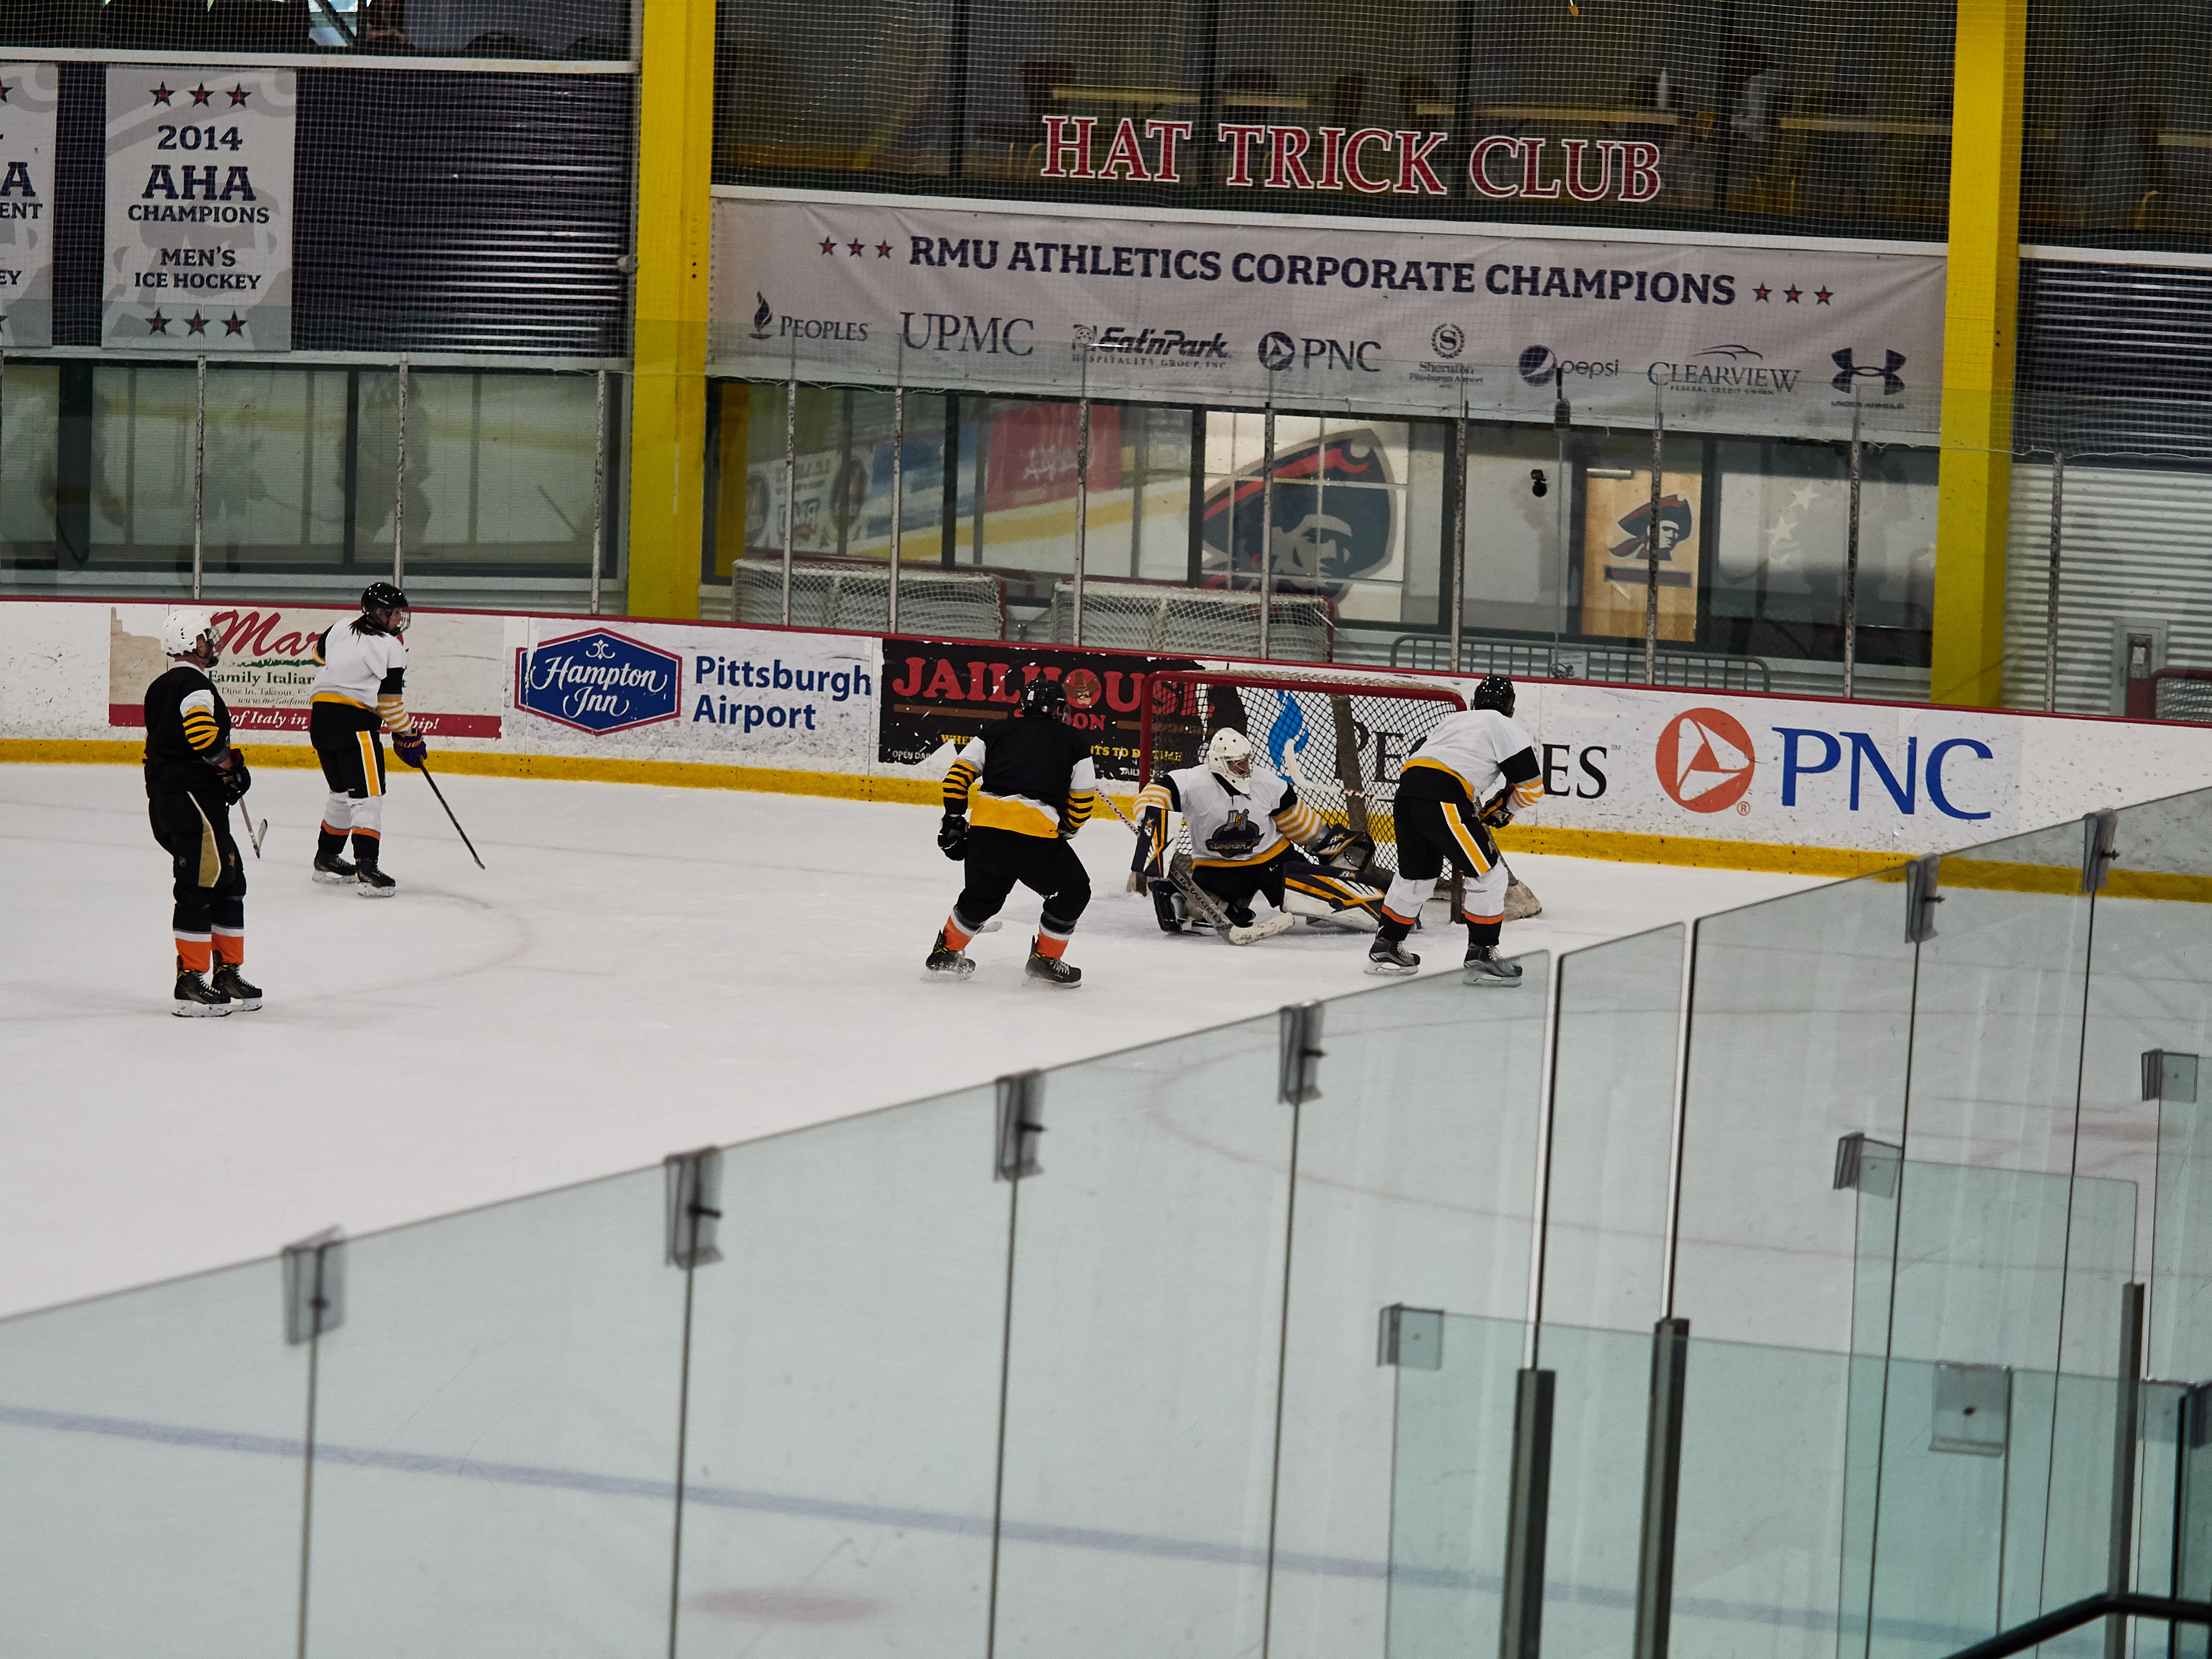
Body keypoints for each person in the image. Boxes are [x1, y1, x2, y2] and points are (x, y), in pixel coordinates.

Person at [1368, 675, 1543, 984]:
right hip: (1444, 796)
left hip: (1407, 793)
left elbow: (1427, 759)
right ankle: (1482, 953)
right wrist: (1505, 809)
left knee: (1416, 877)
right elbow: (1532, 788)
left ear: (1474, 703)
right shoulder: (1502, 724)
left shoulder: (1452, 721)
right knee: (1489, 875)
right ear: (1511, 710)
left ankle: (1387, 944)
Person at [1130, 727, 1385, 935]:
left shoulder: (1267, 783)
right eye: (1238, 763)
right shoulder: (1191, 782)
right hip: (1218, 866)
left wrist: (1327, 846)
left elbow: (1299, 825)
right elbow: (1156, 793)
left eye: (1247, 761)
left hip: (1273, 860)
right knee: (1196, 911)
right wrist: (1149, 815)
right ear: (1219, 762)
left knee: (1335, 900)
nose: (1245, 767)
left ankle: (1381, 911)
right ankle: (1200, 903)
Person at [927, 675, 1097, 986]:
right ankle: (1046, 959)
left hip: (985, 832)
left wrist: (953, 820)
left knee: (982, 897)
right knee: (1073, 893)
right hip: (1034, 837)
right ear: (1058, 709)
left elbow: (956, 778)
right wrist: (1066, 830)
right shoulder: (1075, 741)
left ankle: (946, 953)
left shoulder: (995, 730)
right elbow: (1082, 804)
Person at [144, 609, 259, 1015]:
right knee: (201, 881)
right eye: (205, 637)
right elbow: (201, 736)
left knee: (229, 879)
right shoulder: (195, 685)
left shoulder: (161, 686)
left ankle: (227, 972)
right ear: (191, 643)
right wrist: (230, 766)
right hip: (189, 798)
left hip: (177, 797)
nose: (212, 643)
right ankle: (190, 980)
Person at [307, 582, 427, 896]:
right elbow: (389, 703)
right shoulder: (391, 647)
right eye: (394, 613)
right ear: (377, 612)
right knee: (368, 797)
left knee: (341, 793)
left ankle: (327, 857)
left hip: (320, 720)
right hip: (355, 725)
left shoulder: (341, 626)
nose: (399, 618)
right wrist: (408, 734)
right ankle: (367, 869)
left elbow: (318, 654)